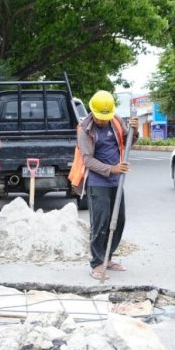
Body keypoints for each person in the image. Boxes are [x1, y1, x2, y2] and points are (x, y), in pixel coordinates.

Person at [71, 90, 138, 280]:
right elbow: (88, 160)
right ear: (93, 112)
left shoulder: (115, 121)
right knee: (100, 222)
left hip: (117, 180)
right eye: (100, 118)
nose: (102, 121)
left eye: (105, 117)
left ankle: (108, 257)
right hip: (97, 181)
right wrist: (112, 169)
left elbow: (129, 141)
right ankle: (97, 263)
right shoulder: (85, 129)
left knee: (118, 220)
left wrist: (135, 129)